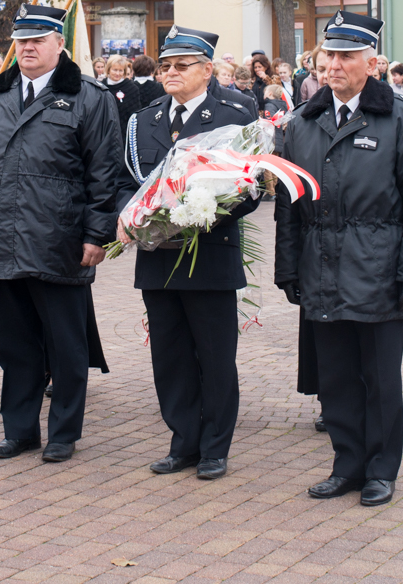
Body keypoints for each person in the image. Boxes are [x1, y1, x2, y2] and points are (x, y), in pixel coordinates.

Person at [275, 10, 403, 507]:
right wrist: (288, 266)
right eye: (329, 55)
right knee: (337, 377)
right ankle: (347, 463)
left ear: (372, 62)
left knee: (379, 378)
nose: (334, 65)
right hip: (321, 266)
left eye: (347, 56)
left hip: (379, 269)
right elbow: (289, 204)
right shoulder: (303, 123)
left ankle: (380, 469)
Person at [0, 4, 119, 463]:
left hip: (61, 241)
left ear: (59, 45)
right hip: (4, 240)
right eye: (21, 40)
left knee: (66, 346)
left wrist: (97, 234)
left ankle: (63, 434)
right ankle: (20, 431)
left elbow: (103, 175)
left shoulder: (90, 98)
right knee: (15, 346)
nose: (27, 48)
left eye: (38, 40)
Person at [117, 26, 257, 480]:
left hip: (209, 252)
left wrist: (202, 216)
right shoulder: (144, 118)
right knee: (171, 356)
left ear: (207, 70)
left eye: (181, 65)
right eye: (164, 66)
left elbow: (250, 187)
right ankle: (183, 441)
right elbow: (126, 180)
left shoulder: (235, 112)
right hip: (157, 256)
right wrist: (126, 216)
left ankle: (215, 446)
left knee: (215, 355)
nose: (170, 72)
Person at [104, 54, 142, 131]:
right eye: (115, 70)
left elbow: (135, 114)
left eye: (120, 70)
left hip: (125, 132)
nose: (117, 74)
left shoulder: (132, 88)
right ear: (108, 69)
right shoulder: (101, 87)